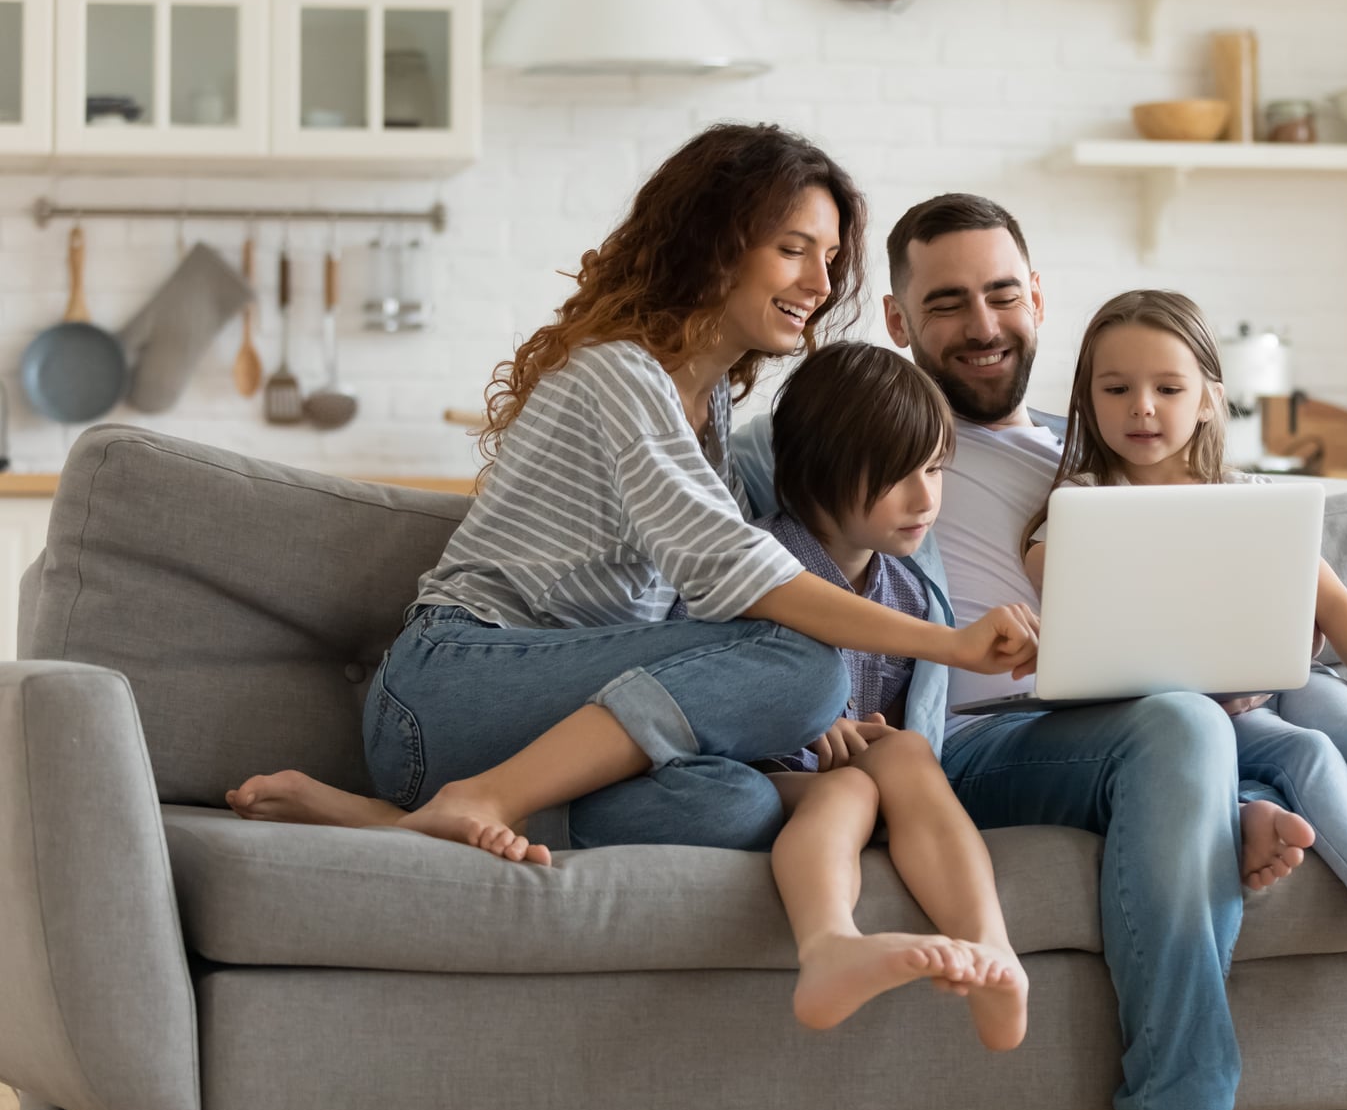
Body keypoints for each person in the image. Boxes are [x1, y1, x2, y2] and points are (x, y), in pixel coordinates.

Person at [746, 191, 1347, 1110]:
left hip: (1160, 720)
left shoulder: (1094, 450)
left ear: (1036, 294)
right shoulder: (859, 440)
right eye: (947, 304)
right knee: (1187, 724)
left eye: (1001, 294)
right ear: (901, 321)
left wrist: (1275, 638)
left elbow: (1249, 574)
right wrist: (802, 701)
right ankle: (1181, 1100)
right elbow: (760, 577)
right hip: (991, 738)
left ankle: (1226, 805)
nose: (983, 325)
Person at [226, 125, 1039, 866]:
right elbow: (742, 578)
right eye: (795, 249)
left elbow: (705, 622)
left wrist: (791, 720)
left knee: (739, 805)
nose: (821, 282)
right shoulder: (620, 374)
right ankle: (478, 799)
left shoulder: (711, 409)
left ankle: (397, 822)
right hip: (451, 692)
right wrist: (956, 645)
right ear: (716, 247)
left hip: (551, 722)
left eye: (829, 257)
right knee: (808, 667)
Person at [1020, 289, 1347, 969]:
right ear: (1088, 400)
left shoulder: (1248, 497)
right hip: (1200, 716)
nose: (1141, 407)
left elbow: (1338, 607)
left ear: (1208, 397)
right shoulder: (1084, 507)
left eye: (1168, 388)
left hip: (1284, 679)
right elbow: (1052, 580)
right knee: (1311, 754)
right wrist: (1060, 550)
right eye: (1116, 388)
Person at [679, 340, 1027, 1048]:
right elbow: (695, 685)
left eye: (934, 468)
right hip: (753, 777)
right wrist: (802, 726)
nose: (925, 497)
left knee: (903, 760)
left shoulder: (907, 592)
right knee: (853, 792)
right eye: (897, 476)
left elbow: (894, 720)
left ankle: (994, 952)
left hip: (851, 778)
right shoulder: (755, 567)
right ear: (816, 475)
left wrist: (873, 734)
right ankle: (830, 944)